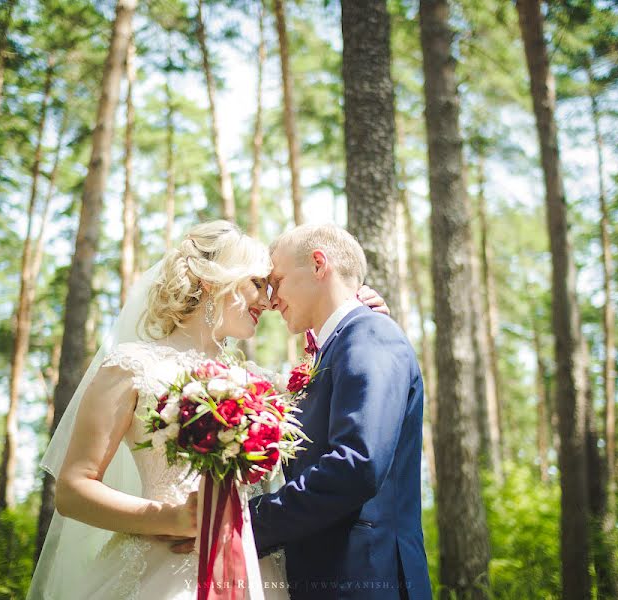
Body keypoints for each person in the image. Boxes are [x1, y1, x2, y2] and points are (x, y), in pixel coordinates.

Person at [27, 220, 389, 600]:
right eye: (256, 284)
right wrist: (171, 518)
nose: (267, 302)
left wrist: (357, 316)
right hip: (163, 570)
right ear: (213, 281)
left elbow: (341, 408)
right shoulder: (129, 368)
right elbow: (72, 490)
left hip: (256, 569)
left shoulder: (261, 383)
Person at [248, 224, 432, 600]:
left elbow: (356, 464)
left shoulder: (369, 334)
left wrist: (248, 521)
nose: (271, 300)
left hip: (365, 579)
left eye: (277, 281)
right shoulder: (336, 346)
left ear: (319, 264)